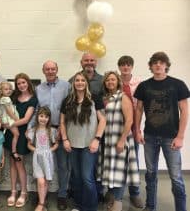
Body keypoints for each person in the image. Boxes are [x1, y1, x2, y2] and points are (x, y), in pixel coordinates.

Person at [134, 52, 189, 211]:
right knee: (150, 174)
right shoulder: (144, 86)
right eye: (155, 63)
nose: (158, 65)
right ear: (150, 66)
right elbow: (138, 110)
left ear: (166, 65)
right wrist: (137, 131)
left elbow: (185, 111)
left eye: (161, 62)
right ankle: (150, 207)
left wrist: (180, 136)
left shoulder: (178, 84)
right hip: (150, 137)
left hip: (171, 138)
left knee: (176, 177)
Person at [60, 72, 106, 211]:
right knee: (77, 178)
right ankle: (79, 206)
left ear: (86, 83)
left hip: (89, 145)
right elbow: (62, 122)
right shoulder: (67, 100)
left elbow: (103, 120)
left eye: (82, 80)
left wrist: (97, 139)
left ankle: (91, 208)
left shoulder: (95, 99)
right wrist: (65, 139)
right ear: (73, 83)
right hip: (72, 145)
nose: (79, 82)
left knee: (87, 178)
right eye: (77, 80)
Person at [97, 71, 140, 211]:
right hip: (106, 141)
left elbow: (129, 120)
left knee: (119, 172)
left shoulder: (123, 97)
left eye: (113, 80)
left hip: (119, 140)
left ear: (118, 82)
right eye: (108, 80)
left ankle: (118, 202)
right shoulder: (104, 98)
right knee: (110, 170)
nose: (110, 82)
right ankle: (111, 199)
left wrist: (122, 140)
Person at [32, 60, 70, 210]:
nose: (50, 71)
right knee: (41, 164)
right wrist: (32, 130)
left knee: (62, 165)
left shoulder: (66, 86)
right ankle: (42, 196)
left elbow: (69, 108)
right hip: (42, 132)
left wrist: (63, 129)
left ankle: (62, 195)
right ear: (43, 71)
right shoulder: (38, 88)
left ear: (57, 69)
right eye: (47, 69)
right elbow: (36, 110)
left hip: (60, 130)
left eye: (53, 68)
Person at [3, 73, 38, 208]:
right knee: (12, 163)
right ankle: (13, 191)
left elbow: (25, 120)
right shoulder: (13, 98)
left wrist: (9, 124)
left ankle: (23, 192)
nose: (21, 85)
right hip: (11, 135)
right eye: (18, 83)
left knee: (19, 163)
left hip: (22, 135)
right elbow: (6, 112)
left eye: (23, 82)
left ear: (28, 83)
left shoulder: (33, 100)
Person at [117, 56, 143, 208]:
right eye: (122, 65)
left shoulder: (139, 83)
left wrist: (138, 129)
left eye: (128, 65)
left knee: (134, 162)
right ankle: (114, 193)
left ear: (132, 66)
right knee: (116, 161)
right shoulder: (114, 81)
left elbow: (141, 107)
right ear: (119, 67)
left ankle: (134, 193)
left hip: (133, 128)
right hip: (117, 127)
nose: (125, 67)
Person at [27, 106, 59, 211]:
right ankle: (40, 203)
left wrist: (51, 149)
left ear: (49, 119)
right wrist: (35, 149)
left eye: (46, 117)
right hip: (37, 159)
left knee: (45, 181)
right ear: (37, 117)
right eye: (41, 116)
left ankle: (42, 202)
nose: (43, 119)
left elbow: (56, 144)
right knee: (40, 181)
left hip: (48, 158)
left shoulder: (51, 131)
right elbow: (29, 144)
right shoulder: (33, 130)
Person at [0, 81, 20, 161]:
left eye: (10, 89)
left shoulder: (5, 98)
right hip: (8, 119)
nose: (9, 91)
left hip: (6, 119)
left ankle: (12, 151)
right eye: (6, 89)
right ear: (1, 91)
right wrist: (16, 119)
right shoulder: (5, 99)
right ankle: (13, 151)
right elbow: (9, 111)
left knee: (15, 134)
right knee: (16, 134)